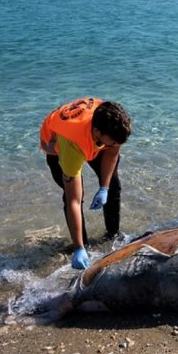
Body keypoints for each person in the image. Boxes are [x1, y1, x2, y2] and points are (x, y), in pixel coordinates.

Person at [39, 97, 132, 269]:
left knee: (113, 185)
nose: (115, 146)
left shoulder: (113, 125)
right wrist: (79, 248)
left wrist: (104, 187)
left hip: (90, 134)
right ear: (97, 132)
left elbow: (111, 153)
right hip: (57, 147)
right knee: (74, 197)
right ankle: (82, 247)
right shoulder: (72, 144)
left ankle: (113, 235)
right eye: (112, 142)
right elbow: (73, 200)